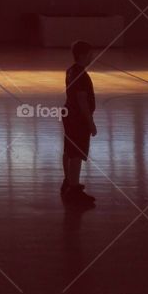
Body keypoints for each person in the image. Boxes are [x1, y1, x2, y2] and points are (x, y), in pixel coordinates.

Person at [61, 40, 96, 205]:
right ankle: (73, 191)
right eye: (90, 54)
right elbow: (82, 100)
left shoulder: (70, 70)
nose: (92, 57)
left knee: (68, 150)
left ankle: (68, 181)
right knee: (76, 154)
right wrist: (90, 123)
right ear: (83, 55)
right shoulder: (82, 75)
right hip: (78, 118)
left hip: (68, 114)